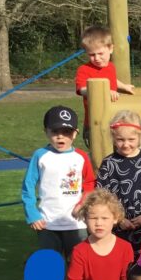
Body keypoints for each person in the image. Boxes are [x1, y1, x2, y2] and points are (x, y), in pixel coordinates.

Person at [21, 105, 95, 260]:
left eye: (66, 132)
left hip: (76, 223)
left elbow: (89, 183)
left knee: (77, 262)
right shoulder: (40, 156)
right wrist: (32, 214)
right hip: (47, 223)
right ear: (46, 132)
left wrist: (82, 204)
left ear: (75, 133)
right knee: (50, 262)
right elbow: (28, 186)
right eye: (55, 131)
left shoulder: (81, 156)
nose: (60, 137)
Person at [96, 110, 141, 257]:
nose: (126, 144)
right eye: (120, 139)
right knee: (120, 259)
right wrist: (118, 218)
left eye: (131, 139)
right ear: (113, 138)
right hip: (118, 224)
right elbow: (102, 195)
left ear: (140, 137)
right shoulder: (108, 163)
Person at [74, 26, 135, 146]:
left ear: (111, 49)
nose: (96, 58)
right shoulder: (84, 69)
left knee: (119, 150)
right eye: (92, 55)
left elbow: (112, 80)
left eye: (100, 53)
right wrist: (103, 92)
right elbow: (82, 89)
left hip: (114, 120)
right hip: (94, 121)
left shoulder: (110, 67)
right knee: (99, 152)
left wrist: (124, 86)